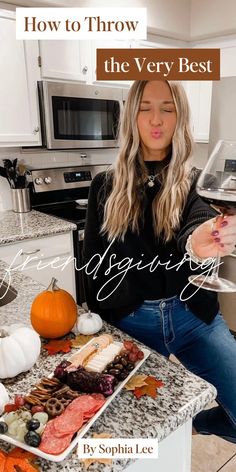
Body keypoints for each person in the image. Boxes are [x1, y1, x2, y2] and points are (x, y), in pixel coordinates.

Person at [83, 80, 236, 443]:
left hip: (194, 318)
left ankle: (193, 421)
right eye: (145, 107)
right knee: (125, 433)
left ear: (179, 117)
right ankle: (176, 428)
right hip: (132, 321)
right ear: (131, 117)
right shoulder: (104, 186)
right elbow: (93, 265)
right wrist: (115, 315)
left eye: (168, 108)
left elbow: (197, 224)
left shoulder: (198, 182)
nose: (156, 119)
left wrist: (201, 244)